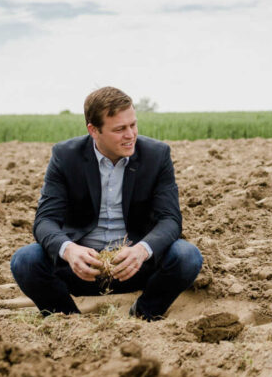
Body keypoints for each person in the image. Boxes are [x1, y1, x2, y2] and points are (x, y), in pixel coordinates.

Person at [10, 87, 202, 320]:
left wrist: (142, 250)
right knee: (25, 260)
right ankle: (68, 320)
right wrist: (69, 250)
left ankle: (144, 314)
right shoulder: (65, 156)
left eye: (133, 125)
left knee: (187, 256)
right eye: (120, 129)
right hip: (81, 268)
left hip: (134, 266)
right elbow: (45, 220)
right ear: (93, 130)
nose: (130, 135)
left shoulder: (157, 155)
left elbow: (170, 219)